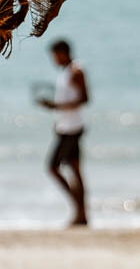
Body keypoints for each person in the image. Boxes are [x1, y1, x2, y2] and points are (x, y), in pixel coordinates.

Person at [39, 39, 89, 226]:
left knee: (53, 167)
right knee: (75, 170)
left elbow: (85, 98)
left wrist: (56, 106)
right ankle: (81, 213)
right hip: (64, 127)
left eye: (56, 55)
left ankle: (79, 208)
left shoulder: (76, 71)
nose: (54, 59)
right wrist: (58, 116)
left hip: (73, 129)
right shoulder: (65, 72)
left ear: (63, 53)